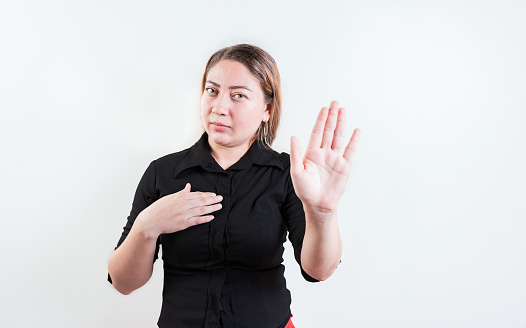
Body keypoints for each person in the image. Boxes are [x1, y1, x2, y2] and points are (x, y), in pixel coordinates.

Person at [108, 44, 360, 328]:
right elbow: (123, 283)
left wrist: (322, 212)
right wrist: (147, 226)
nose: (219, 107)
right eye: (212, 90)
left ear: (267, 108)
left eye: (238, 95)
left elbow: (318, 271)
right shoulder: (163, 173)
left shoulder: (287, 174)